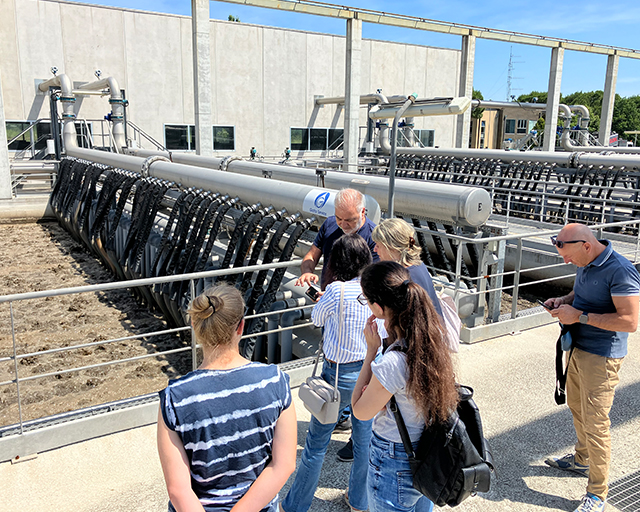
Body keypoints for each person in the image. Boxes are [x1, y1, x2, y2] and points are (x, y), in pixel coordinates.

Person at [157, 285, 297, 512]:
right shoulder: (275, 381)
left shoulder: (175, 398)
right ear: (241, 326)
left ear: (194, 326)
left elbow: (178, 490)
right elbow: (283, 465)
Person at [543, 223, 640, 512]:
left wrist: (580, 317)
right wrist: (563, 301)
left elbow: (630, 322)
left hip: (602, 356)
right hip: (578, 347)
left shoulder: (621, 270)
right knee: (575, 405)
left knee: (597, 422)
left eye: (569, 256)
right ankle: (582, 459)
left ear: (586, 245)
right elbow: (581, 293)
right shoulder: (585, 260)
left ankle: (597, 493)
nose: (566, 262)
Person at [351, 261, 458, 512]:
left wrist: (370, 353)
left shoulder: (393, 361)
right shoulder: (431, 341)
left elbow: (359, 411)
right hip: (428, 448)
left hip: (395, 455)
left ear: (378, 307)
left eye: (364, 299)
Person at [281, 234, 374, 512]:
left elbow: (317, 319)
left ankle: (297, 505)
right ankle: (359, 501)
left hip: (336, 377)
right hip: (367, 376)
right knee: (363, 444)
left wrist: (324, 301)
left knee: (316, 446)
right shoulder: (373, 290)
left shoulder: (336, 290)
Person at [295, 188, 378, 290]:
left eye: (349, 220)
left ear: (362, 212)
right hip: (326, 296)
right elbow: (311, 256)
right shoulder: (329, 224)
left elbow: (372, 280)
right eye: (338, 218)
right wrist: (307, 272)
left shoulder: (374, 237)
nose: (343, 225)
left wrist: (336, 296)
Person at [371, 218, 443, 318]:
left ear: (392, 248)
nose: (375, 249)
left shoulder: (402, 279)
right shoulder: (418, 265)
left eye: (378, 245)